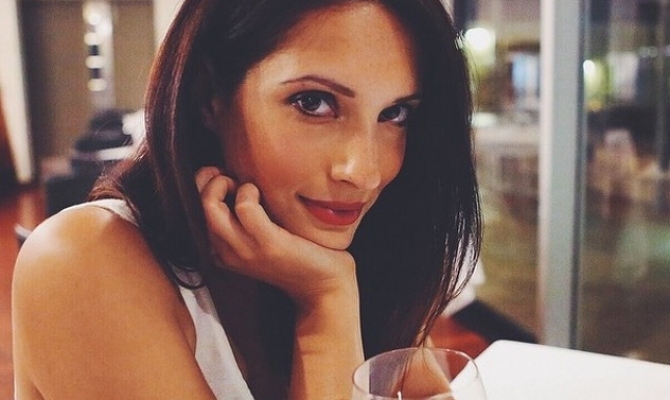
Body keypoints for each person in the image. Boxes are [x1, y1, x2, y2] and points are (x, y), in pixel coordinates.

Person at [12, 0, 481, 398]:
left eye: (394, 114)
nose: (364, 172)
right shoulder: (81, 260)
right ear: (209, 97)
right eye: (313, 103)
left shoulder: (366, 248)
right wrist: (326, 304)